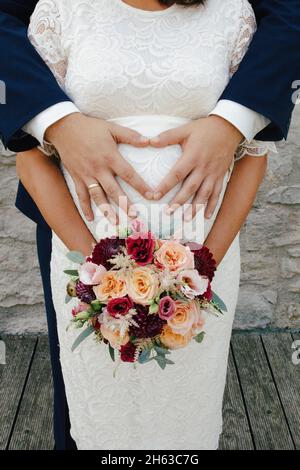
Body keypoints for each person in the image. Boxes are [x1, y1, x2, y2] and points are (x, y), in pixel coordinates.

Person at [0, 0, 299, 450]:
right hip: (85, 255)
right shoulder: (62, 10)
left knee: (186, 413)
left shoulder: (231, 12)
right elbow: (30, 155)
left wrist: (204, 266)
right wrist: (96, 269)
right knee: (94, 411)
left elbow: (255, 153)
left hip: (201, 263)